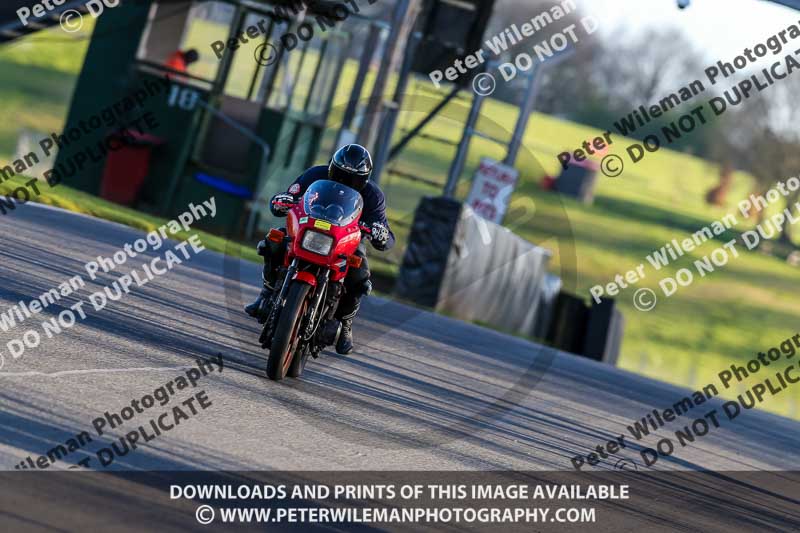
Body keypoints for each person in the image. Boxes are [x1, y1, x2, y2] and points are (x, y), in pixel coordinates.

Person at [245, 144, 394, 355]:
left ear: (364, 180)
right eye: (340, 175)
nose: (344, 182)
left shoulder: (373, 195)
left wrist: (381, 233)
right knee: (274, 241)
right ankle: (266, 293)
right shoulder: (315, 174)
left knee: (360, 273)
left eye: (352, 180)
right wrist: (281, 201)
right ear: (332, 167)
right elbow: (290, 195)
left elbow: (386, 233)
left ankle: (346, 324)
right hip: (309, 226)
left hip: (345, 236)